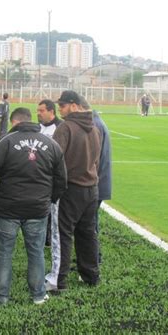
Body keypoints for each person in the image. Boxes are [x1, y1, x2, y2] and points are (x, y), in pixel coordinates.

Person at [0, 107, 67, 305]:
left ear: (14, 123)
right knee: (35, 251)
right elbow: (62, 180)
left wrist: (2, 171)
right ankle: (38, 295)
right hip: (38, 208)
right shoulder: (51, 144)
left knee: (4, 251)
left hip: (8, 208)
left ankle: (1, 297)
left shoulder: (6, 141)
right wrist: (49, 199)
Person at [54, 90, 101, 292]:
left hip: (71, 188)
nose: (60, 110)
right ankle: (91, 275)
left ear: (74, 105)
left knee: (62, 235)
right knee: (87, 233)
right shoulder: (95, 128)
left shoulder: (65, 128)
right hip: (91, 188)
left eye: (63, 106)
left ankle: (59, 279)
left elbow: (53, 159)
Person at [79, 97, 112, 264]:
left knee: (90, 225)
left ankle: (93, 260)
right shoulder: (96, 123)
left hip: (95, 184)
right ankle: (91, 259)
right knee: (89, 224)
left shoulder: (94, 126)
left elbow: (94, 159)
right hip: (97, 182)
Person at [36, 99, 64, 292]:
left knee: (56, 221)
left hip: (54, 181)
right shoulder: (36, 128)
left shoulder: (61, 128)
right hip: (39, 178)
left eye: (41, 110)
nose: (38, 113)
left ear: (51, 112)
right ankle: (42, 240)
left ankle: (57, 270)